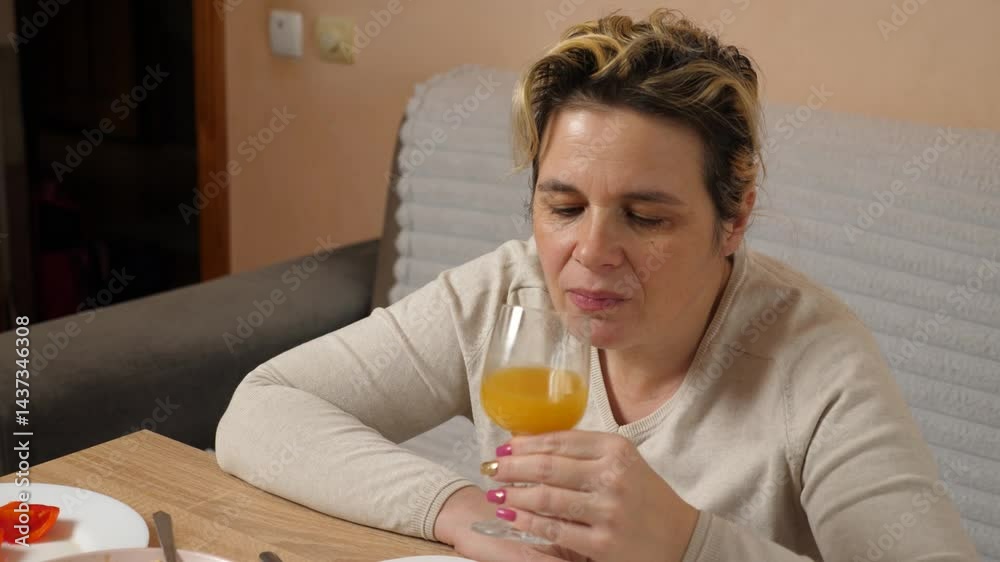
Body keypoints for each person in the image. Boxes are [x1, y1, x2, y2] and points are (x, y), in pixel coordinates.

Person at [215, 9, 979, 561]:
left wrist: (688, 542)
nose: (591, 253)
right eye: (564, 207)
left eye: (645, 217)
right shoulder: (507, 295)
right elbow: (264, 408)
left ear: (735, 218)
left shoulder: (817, 363)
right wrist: (461, 511)